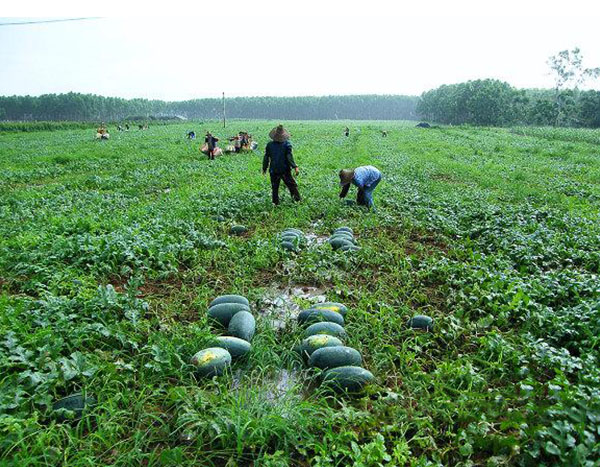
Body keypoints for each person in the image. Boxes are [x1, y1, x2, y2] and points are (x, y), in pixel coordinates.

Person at [262, 125, 301, 205]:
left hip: (274, 170)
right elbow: (289, 157)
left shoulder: (269, 145)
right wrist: (295, 167)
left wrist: (264, 168)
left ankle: (275, 203)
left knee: (275, 187)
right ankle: (297, 200)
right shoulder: (287, 145)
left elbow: (266, 157)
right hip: (284, 169)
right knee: (292, 186)